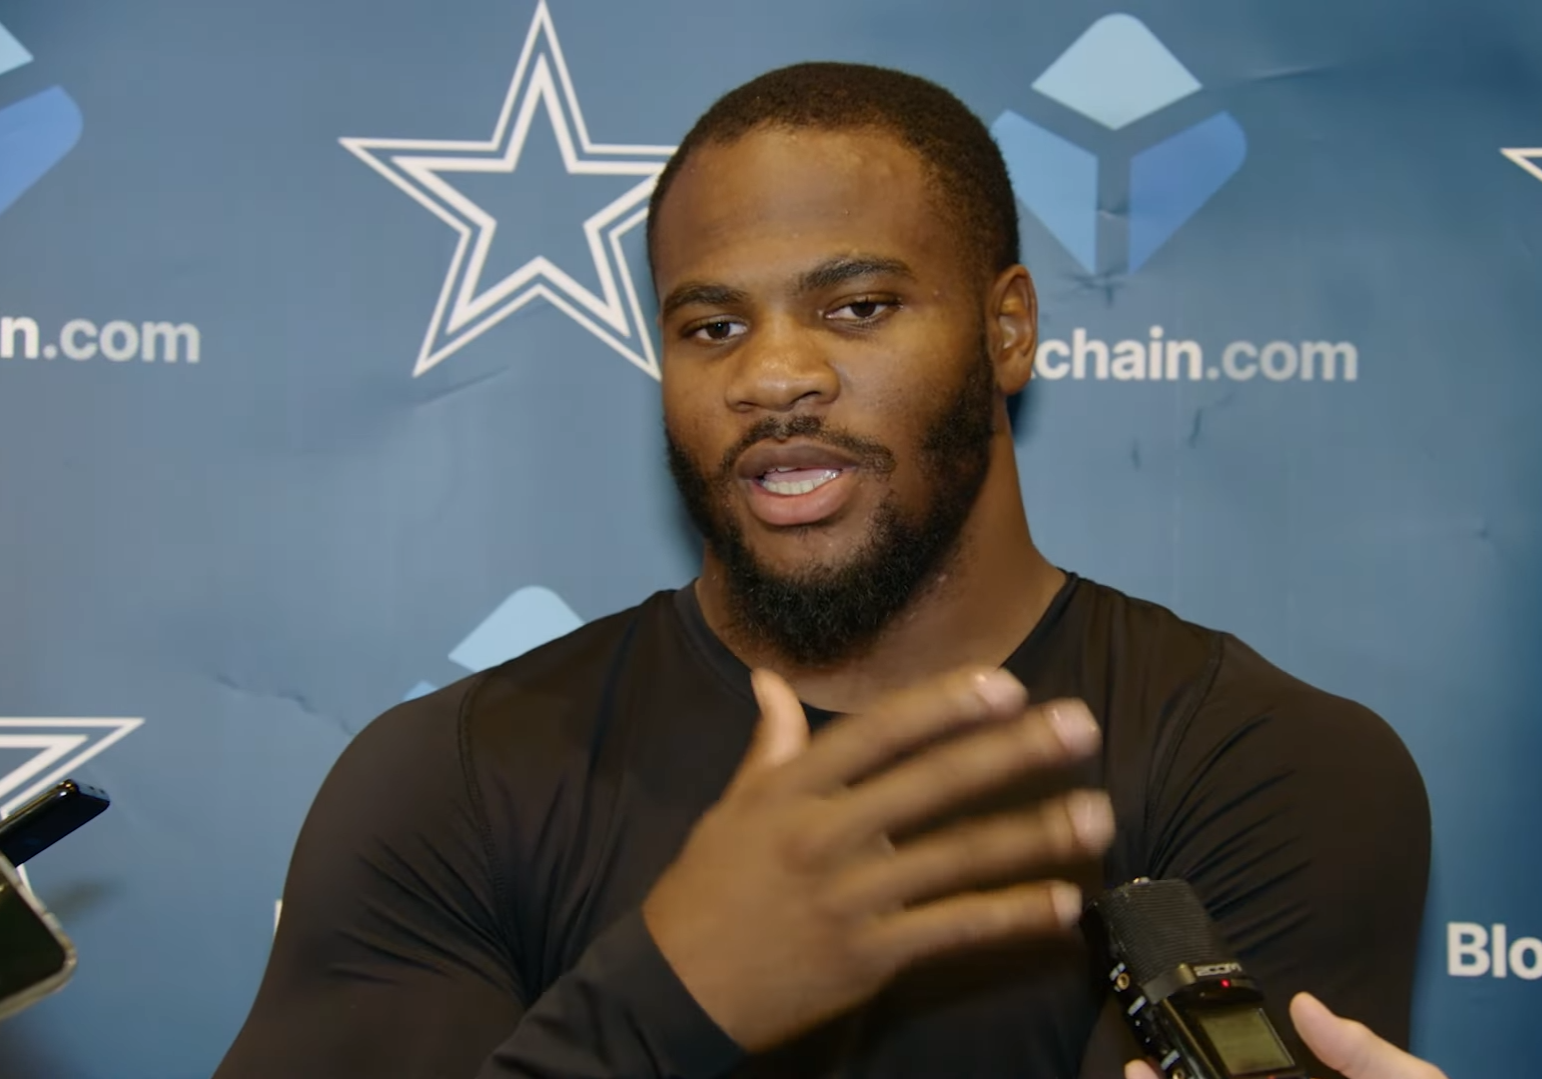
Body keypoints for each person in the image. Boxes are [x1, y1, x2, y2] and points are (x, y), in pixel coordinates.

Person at [214, 63, 1435, 1079]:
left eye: (855, 306)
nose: (772, 375)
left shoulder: (1256, 762)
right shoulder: (460, 778)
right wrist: (673, 991)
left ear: (1005, 327)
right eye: (712, 327)